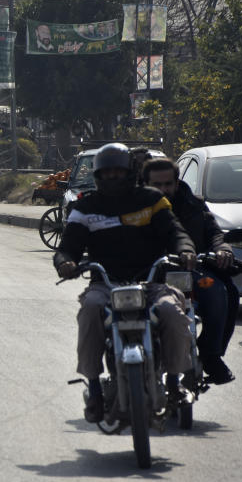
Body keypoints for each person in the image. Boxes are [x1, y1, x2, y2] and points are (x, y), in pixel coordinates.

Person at [53, 143, 196, 422]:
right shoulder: (85, 206)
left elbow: (175, 232)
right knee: (89, 311)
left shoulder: (152, 200)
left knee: (172, 312)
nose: (113, 178)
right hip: (105, 285)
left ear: (131, 173)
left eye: (119, 172)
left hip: (152, 282)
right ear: (98, 176)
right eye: (107, 173)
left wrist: (185, 250)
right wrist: (65, 263)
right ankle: (94, 389)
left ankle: (174, 382)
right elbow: (67, 246)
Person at [143, 157, 237, 384]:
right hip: (150, 277)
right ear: (145, 183)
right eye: (157, 185)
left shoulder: (194, 204)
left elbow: (214, 232)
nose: (164, 190)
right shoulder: (135, 207)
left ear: (177, 183)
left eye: (168, 184)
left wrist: (222, 249)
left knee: (220, 292)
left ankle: (211, 354)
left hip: (193, 274)